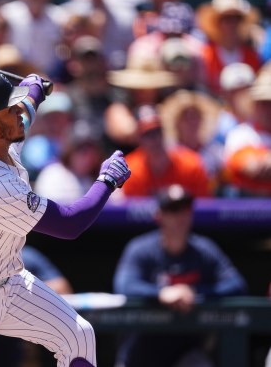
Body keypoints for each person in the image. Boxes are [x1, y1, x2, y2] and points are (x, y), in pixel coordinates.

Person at [0, 71, 132, 367]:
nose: (19, 113)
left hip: (6, 281)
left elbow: (24, 112)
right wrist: (106, 180)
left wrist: (33, 91)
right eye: (10, 109)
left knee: (77, 335)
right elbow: (70, 224)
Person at [113, 184, 248, 367]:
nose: (180, 216)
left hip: (186, 353)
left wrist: (195, 292)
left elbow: (237, 284)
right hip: (140, 352)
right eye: (173, 209)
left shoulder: (204, 249)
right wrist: (161, 294)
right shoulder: (141, 249)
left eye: (185, 209)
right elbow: (124, 285)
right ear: (159, 216)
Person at [122, 104, 211, 198]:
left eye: (157, 131)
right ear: (138, 138)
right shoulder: (130, 170)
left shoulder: (192, 164)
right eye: (147, 134)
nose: (155, 139)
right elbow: (129, 208)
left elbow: (205, 207)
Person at [223, 69, 271, 196]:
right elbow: (253, 167)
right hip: (246, 206)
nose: (268, 109)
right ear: (254, 106)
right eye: (263, 103)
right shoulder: (241, 134)